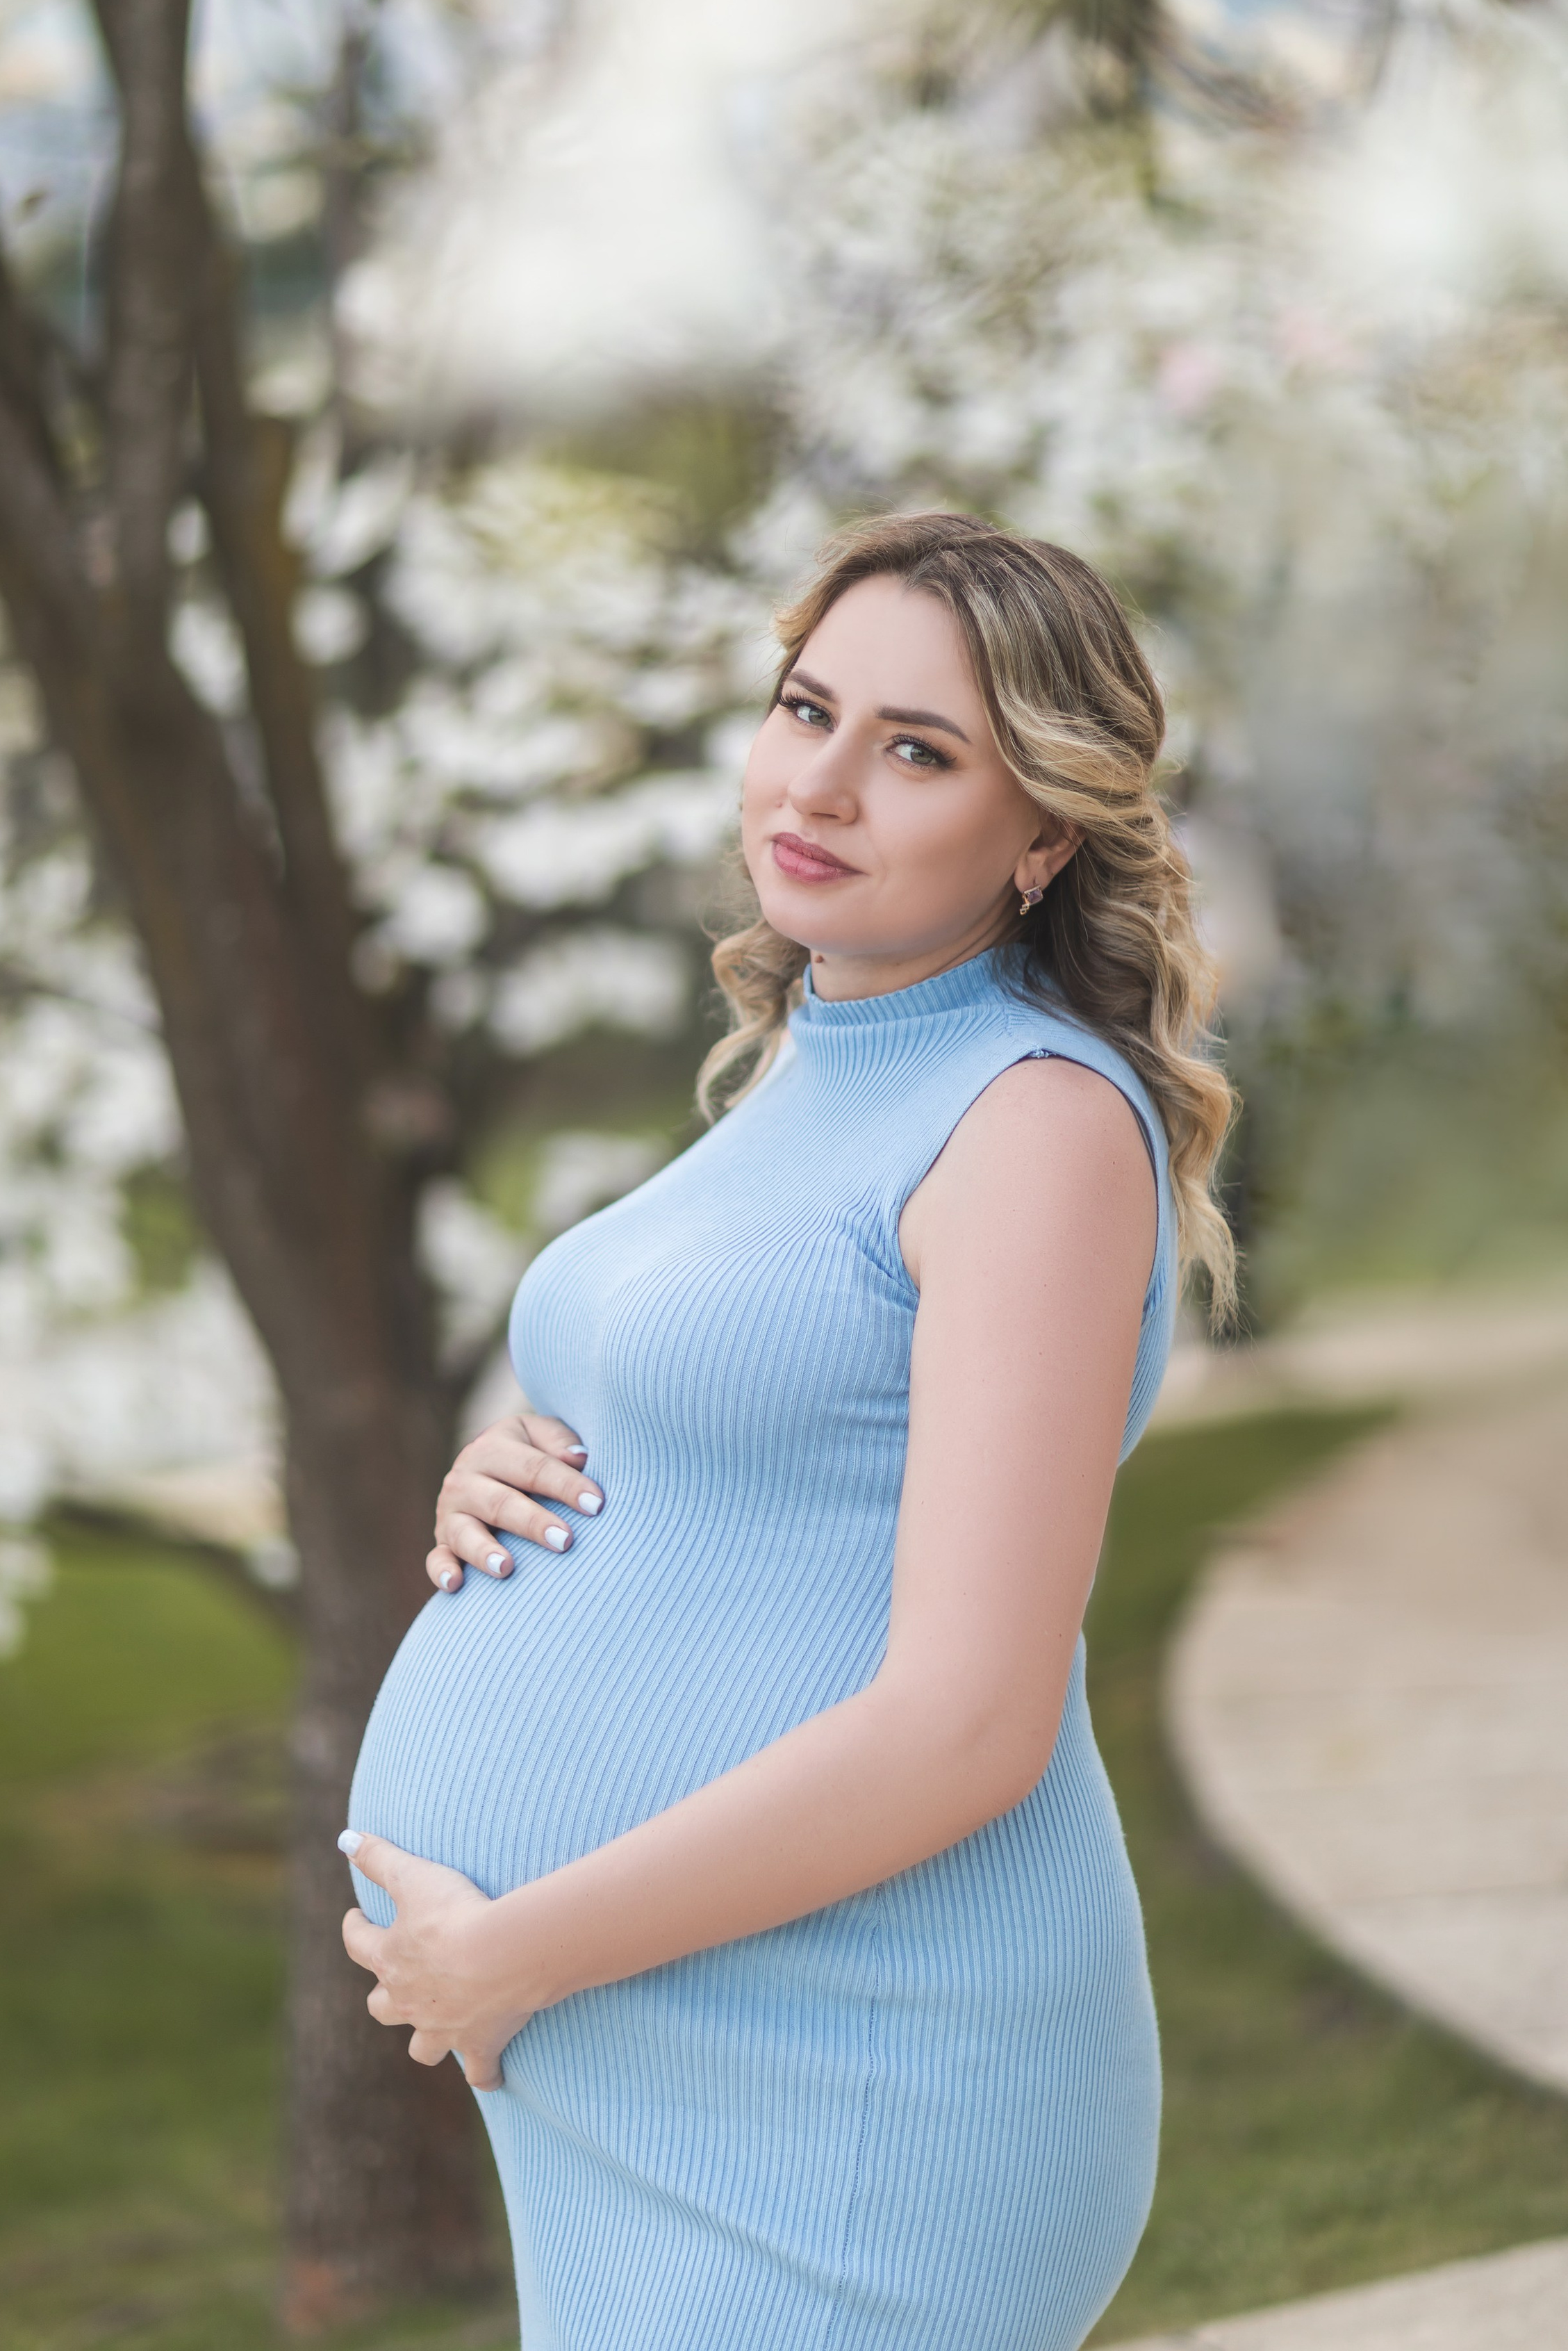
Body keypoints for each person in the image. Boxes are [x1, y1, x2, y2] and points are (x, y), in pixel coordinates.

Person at [340, 511, 1236, 2351]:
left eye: (917, 748)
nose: (821, 780)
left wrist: (517, 1951)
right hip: (662, 2041)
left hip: (860, 2065)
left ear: (1043, 829)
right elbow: (765, 1431)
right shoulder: (814, 1054)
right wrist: (514, 1463)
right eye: (806, 706)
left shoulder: (1034, 1118)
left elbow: (969, 1721)